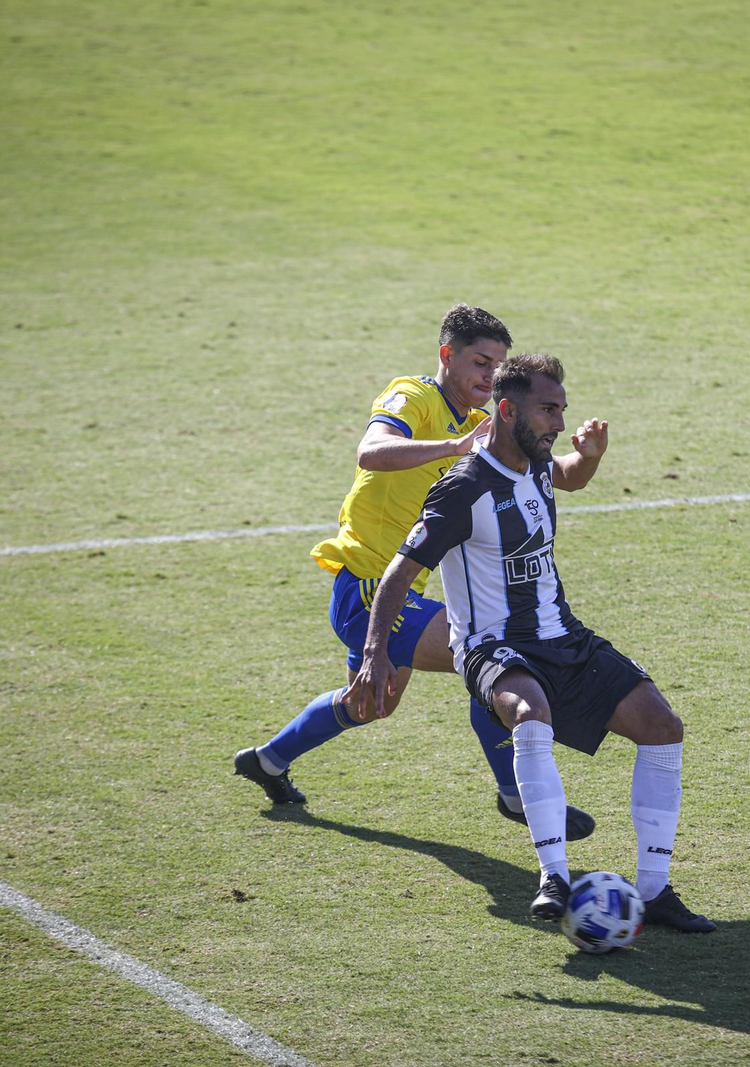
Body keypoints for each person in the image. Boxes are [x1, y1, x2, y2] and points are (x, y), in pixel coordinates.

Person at [347, 354, 714, 933]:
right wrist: (374, 655)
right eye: (549, 410)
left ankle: (655, 891)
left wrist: (589, 459)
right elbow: (397, 574)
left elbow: (568, 473)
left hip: (563, 635)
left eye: (562, 411)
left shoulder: (538, 463)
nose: (558, 423)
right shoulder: (462, 488)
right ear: (508, 409)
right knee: (530, 714)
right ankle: (555, 877)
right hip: (491, 645)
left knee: (663, 725)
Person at [233, 306, 595, 841]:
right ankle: (516, 794)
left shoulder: (483, 421)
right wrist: (450, 447)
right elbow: (371, 451)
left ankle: (266, 761)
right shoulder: (414, 396)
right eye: (479, 361)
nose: (489, 376)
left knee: (370, 705)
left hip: (408, 590)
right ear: (446, 355)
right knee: (490, 658)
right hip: (367, 585)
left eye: (497, 367)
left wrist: (586, 457)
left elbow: (561, 476)